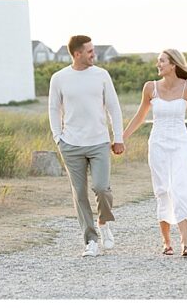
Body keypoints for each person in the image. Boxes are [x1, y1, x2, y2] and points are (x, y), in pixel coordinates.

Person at [123, 48, 187, 256]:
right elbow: (140, 116)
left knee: (180, 188)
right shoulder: (150, 88)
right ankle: (166, 242)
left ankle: (185, 243)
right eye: (158, 61)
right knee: (163, 189)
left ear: (173, 64)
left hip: (181, 144)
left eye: (162, 61)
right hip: (158, 144)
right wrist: (121, 138)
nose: (158, 64)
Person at [48, 35, 125, 257]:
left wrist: (118, 137)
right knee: (79, 193)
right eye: (90, 51)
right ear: (77, 53)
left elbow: (114, 108)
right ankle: (90, 240)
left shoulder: (101, 75)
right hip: (70, 144)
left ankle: (104, 222)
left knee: (101, 187)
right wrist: (57, 138)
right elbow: (54, 109)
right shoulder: (59, 78)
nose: (94, 54)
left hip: (99, 142)